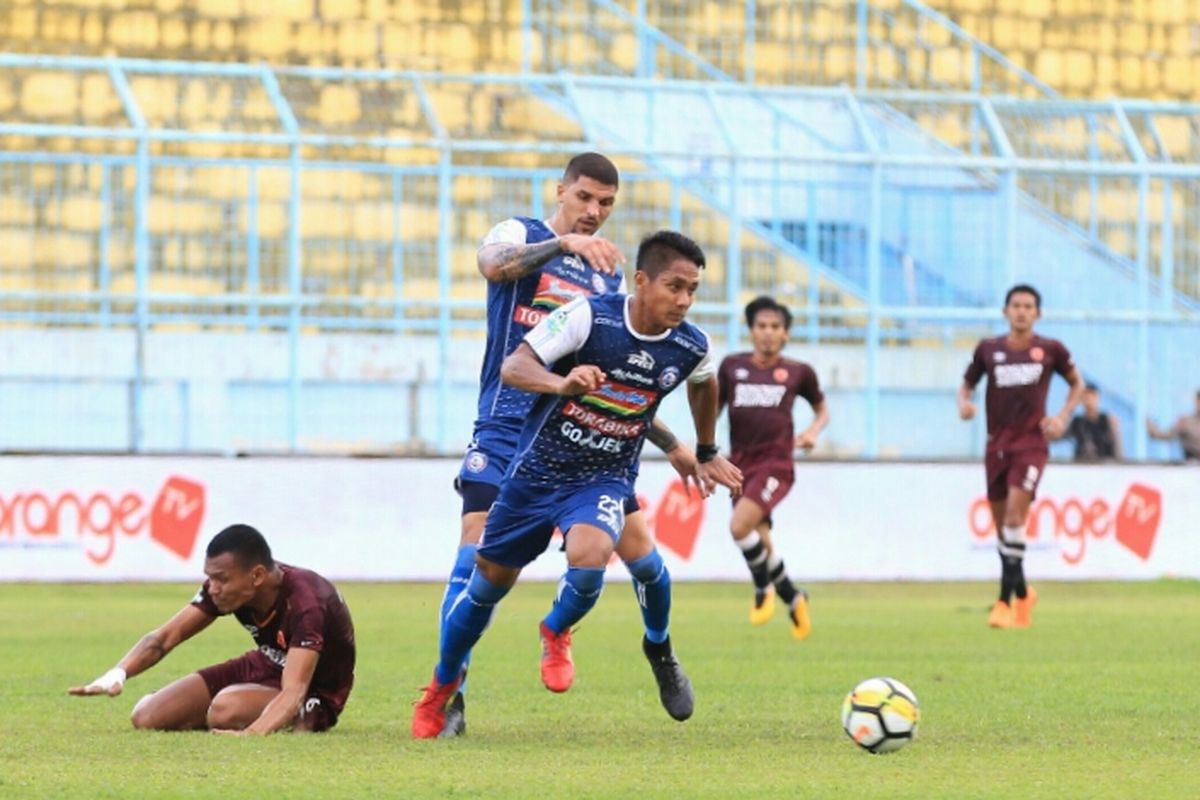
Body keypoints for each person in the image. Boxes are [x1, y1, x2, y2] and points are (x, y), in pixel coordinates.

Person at [438, 152, 737, 737]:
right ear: (561, 191)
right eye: (584, 199)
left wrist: (677, 442)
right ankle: (451, 696)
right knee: (473, 558)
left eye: (605, 205)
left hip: (588, 447)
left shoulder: (608, 278)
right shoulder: (522, 235)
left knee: (647, 564)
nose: (593, 213)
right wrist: (565, 245)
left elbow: (620, 374)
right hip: (505, 428)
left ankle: (658, 648)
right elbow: (493, 265)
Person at [69, 524, 355, 735]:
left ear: (256, 576)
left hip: (313, 692)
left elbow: (294, 691)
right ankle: (206, 705)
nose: (212, 588)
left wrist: (251, 735)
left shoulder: (307, 601)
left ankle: (237, 710)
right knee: (146, 716)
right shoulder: (231, 590)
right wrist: (117, 673)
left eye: (221, 579)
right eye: (209, 578)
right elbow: (166, 637)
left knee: (225, 709)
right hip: (266, 666)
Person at [958, 284, 1085, 629]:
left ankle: (1003, 602)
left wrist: (1061, 417)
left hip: (1031, 445)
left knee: (1015, 518)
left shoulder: (1050, 350)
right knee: (1003, 529)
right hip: (995, 446)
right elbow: (967, 383)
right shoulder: (989, 349)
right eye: (1016, 305)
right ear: (1005, 311)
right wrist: (964, 404)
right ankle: (1024, 592)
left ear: (1038, 314)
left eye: (1029, 306)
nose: (1022, 311)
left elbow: (1078, 384)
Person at [717, 296, 828, 640]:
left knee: (739, 527)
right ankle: (793, 597)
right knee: (761, 542)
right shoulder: (732, 367)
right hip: (739, 466)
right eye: (761, 326)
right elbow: (712, 407)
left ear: (786, 334)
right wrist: (705, 452)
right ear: (750, 331)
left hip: (776, 464)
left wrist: (812, 431)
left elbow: (822, 408)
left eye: (775, 327)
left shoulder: (798, 372)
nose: (768, 333)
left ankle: (762, 589)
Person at [1066, 383, 1123, 461]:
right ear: (1081, 399)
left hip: (1103, 468)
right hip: (1081, 468)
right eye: (1086, 396)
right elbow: (1058, 435)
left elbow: (1118, 452)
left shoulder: (1107, 421)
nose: (1089, 399)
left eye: (1092, 396)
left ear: (1097, 398)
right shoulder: (1077, 422)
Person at [1147, 390, 1200, 461]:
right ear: (1196, 402)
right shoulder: (1186, 422)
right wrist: (1151, 427)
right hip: (1193, 467)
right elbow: (1163, 435)